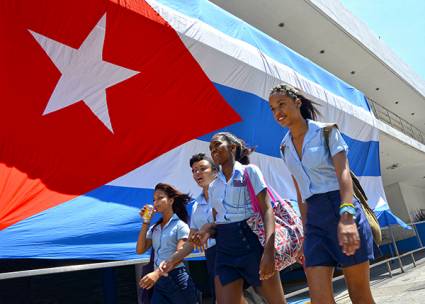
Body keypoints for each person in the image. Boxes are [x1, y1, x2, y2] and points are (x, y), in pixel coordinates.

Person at [269, 83, 375, 304]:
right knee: (319, 299)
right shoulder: (284, 147)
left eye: (282, 104)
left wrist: (347, 217)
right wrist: (306, 230)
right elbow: (300, 190)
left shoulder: (326, 132)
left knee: (359, 296)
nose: (277, 112)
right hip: (314, 222)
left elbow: (343, 174)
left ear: (297, 103)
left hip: (341, 209)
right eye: (272, 108)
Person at [194, 132, 286, 304]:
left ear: (232, 147)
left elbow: (267, 210)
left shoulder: (249, 172)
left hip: (251, 245)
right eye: (211, 148)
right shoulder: (214, 186)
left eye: (217, 145)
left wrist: (268, 250)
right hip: (225, 250)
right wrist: (207, 229)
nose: (213, 150)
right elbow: (219, 221)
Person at [159, 153, 218, 302]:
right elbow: (191, 242)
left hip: (236, 252)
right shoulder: (196, 206)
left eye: (202, 168)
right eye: (194, 170)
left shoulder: (227, 193)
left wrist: (208, 228)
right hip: (213, 258)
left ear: (215, 171)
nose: (197, 173)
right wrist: (171, 261)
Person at [136, 183, 199, 304]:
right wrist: (145, 222)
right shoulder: (155, 228)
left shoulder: (180, 226)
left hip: (176, 278)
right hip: (159, 281)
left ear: (171, 200)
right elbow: (140, 250)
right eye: (154, 199)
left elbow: (179, 255)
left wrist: (157, 274)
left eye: (160, 198)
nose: (156, 202)